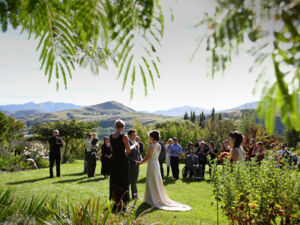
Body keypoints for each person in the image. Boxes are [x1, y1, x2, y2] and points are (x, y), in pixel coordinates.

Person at [138, 130, 191, 211]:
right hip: (156, 164)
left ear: (152, 137)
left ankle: (151, 199)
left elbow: (147, 158)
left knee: (151, 180)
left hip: (152, 165)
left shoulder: (151, 146)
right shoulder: (159, 145)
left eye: (149, 136)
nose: (149, 137)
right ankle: (153, 198)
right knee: (156, 181)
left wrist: (140, 162)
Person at [109, 119, 131, 211]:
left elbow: (111, 148)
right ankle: (122, 202)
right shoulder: (124, 136)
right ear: (123, 127)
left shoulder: (111, 136)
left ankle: (116, 201)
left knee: (115, 179)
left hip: (114, 160)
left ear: (115, 127)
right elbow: (128, 150)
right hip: (122, 160)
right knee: (123, 180)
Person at [127, 129, 142, 200]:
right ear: (129, 135)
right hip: (130, 165)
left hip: (137, 165)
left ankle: (134, 195)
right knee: (128, 181)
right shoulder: (127, 143)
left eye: (135, 135)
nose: (135, 136)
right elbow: (127, 155)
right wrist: (135, 161)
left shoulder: (136, 143)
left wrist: (140, 159)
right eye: (134, 135)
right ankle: (126, 196)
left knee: (134, 181)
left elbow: (139, 153)